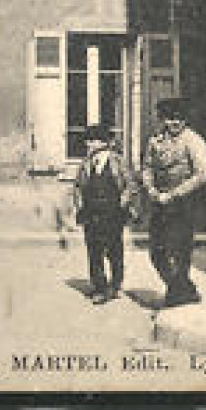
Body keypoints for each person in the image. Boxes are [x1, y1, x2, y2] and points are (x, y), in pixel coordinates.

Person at [141, 97, 206, 307]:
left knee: (180, 251)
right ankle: (185, 289)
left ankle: (177, 296)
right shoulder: (155, 141)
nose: (174, 123)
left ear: (185, 120)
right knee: (156, 252)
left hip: (183, 204)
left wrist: (174, 194)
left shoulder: (194, 141)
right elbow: (147, 168)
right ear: (163, 119)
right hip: (159, 202)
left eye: (179, 119)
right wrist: (152, 190)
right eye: (169, 119)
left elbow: (202, 174)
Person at [72, 123, 134, 304]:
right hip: (91, 212)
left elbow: (130, 185)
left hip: (113, 211)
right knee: (94, 249)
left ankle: (115, 284)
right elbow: (78, 187)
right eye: (88, 140)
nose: (90, 144)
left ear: (105, 142)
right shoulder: (85, 164)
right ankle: (99, 286)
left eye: (94, 140)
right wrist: (80, 206)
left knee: (114, 249)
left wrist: (123, 203)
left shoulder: (118, 161)